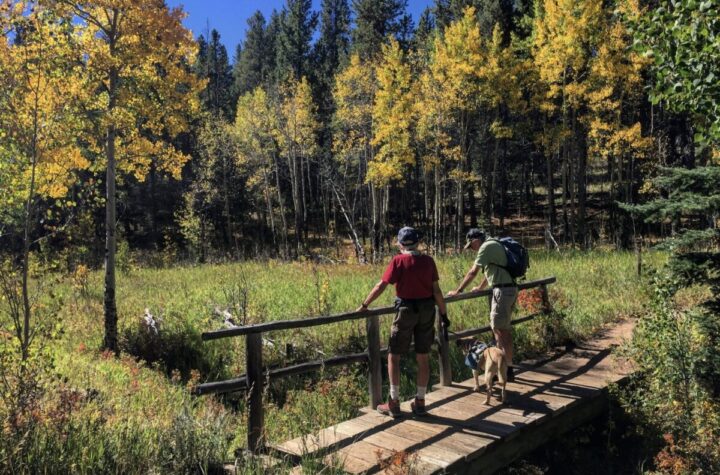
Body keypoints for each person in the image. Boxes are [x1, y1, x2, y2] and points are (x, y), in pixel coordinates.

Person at [357, 227, 448, 418]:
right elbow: (437, 290)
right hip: (427, 310)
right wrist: (444, 314)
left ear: (400, 244)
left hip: (406, 310)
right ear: (417, 242)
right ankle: (420, 402)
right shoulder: (428, 261)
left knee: (394, 355)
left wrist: (365, 304)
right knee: (423, 355)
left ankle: (394, 402)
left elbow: (381, 285)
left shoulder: (398, 261)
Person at [447, 228, 517, 381]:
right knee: (504, 330)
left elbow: (473, 272)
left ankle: (504, 371)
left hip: (502, 291)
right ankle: (508, 367)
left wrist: (458, 290)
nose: (472, 249)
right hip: (509, 289)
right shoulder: (494, 244)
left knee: (499, 331)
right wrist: (481, 288)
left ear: (476, 240)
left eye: (471, 246)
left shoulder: (486, 247)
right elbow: (491, 270)